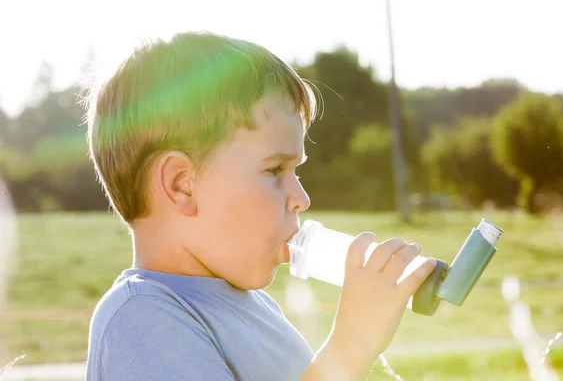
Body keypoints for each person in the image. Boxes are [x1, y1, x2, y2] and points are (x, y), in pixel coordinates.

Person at [83, 31, 436, 381]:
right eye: (274, 170)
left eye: (296, 172)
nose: (301, 198)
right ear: (182, 186)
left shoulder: (252, 306)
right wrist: (352, 345)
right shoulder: (142, 318)